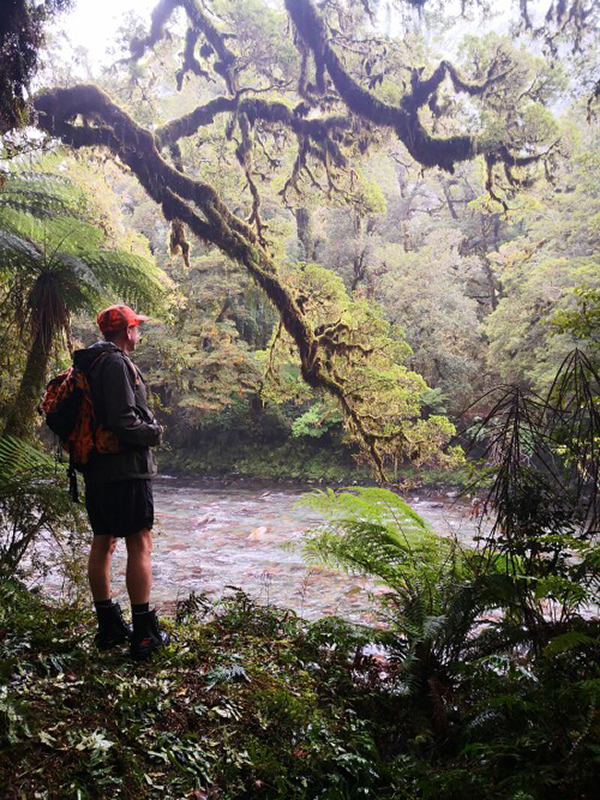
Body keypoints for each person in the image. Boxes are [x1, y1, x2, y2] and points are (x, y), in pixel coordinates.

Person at [74, 304, 168, 661]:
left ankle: (109, 625)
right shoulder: (114, 363)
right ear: (126, 331)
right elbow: (122, 421)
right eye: (135, 327)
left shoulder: (90, 362)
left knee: (103, 542)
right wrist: (154, 433)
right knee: (139, 543)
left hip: (97, 470)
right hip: (125, 469)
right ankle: (143, 634)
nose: (138, 332)